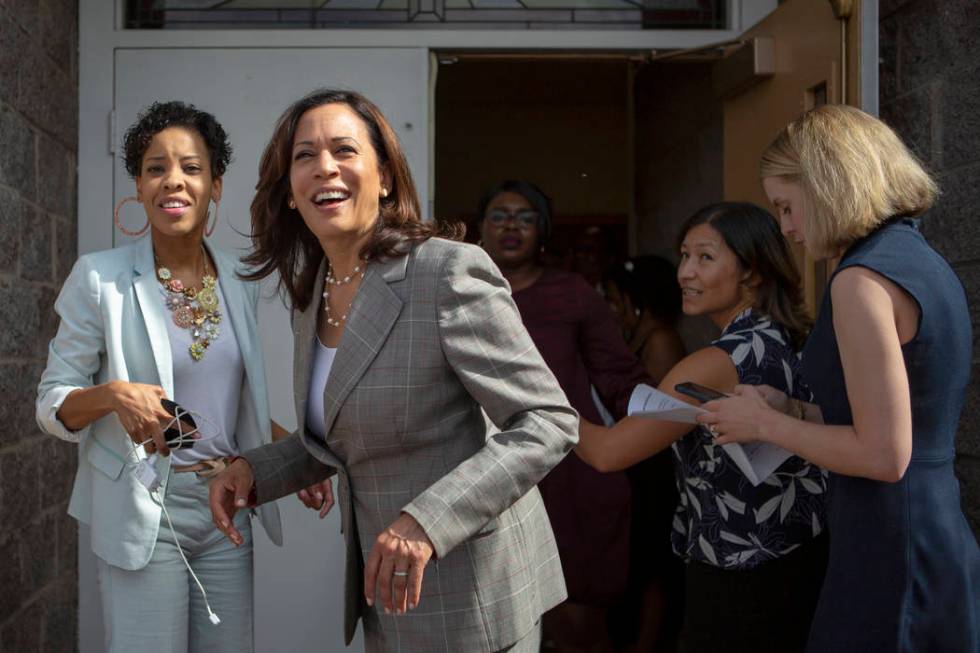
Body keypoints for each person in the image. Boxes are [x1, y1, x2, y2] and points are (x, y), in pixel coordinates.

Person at [208, 89, 578, 653]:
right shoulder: (314, 293)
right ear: (288, 194)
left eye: (344, 149)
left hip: (470, 594)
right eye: (304, 155)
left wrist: (427, 521)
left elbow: (548, 422)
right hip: (388, 595)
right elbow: (343, 438)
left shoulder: (446, 272)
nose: (325, 166)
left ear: (384, 178)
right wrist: (253, 473)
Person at [699, 105, 980, 652]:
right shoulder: (918, 258)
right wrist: (791, 410)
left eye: (786, 206)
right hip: (927, 526)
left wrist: (763, 423)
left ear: (829, 186)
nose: (785, 228)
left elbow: (883, 454)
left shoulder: (860, 281)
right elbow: (902, 418)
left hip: (890, 539)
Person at [35, 101, 282, 653]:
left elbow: (229, 412)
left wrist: (300, 459)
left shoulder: (241, 281)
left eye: (192, 168)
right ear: (140, 186)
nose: (174, 180)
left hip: (226, 504)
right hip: (147, 509)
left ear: (216, 186)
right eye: (155, 168)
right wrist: (114, 395)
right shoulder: (101, 278)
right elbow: (52, 404)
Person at [576, 202, 828, 653]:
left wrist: (538, 407)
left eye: (705, 258)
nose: (685, 273)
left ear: (751, 271)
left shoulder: (715, 363)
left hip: (739, 574)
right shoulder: (784, 338)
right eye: (685, 256)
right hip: (794, 557)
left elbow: (609, 453)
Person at [477, 180, 651, 652]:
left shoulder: (571, 293)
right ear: (480, 228)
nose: (511, 225)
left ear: (543, 231)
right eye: (499, 215)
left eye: (525, 217)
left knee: (574, 623)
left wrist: (666, 418)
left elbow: (618, 375)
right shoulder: (460, 288)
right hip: (481, 471)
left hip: (564, 474)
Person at [602, 255, 687, 652]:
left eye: (615, 298)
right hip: (633, 462)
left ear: (636, 298)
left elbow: (661, 415)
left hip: (655, 466)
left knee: (653, 560)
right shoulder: (636, 336)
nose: (611, 307)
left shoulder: (661, 340)